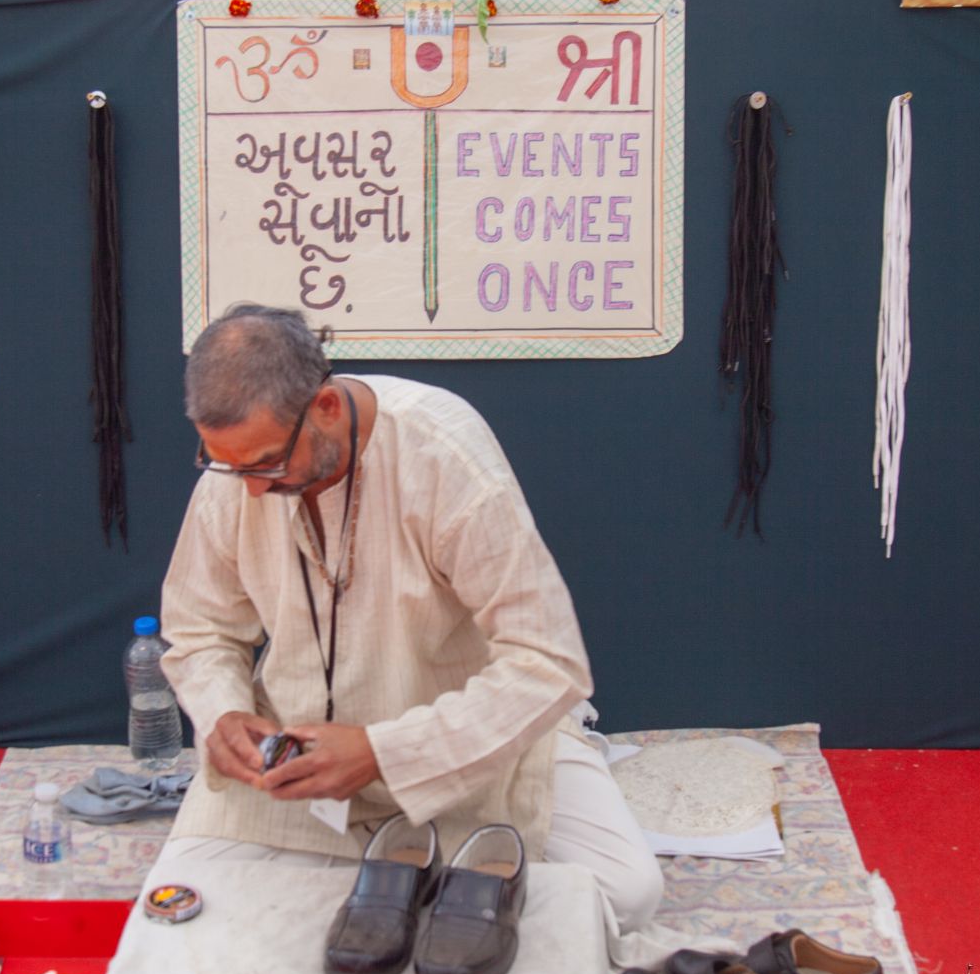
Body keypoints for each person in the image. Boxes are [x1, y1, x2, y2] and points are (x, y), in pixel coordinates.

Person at [152, 304, 664, 933]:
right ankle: (400, 876)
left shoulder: (441, 454)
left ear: (327, 409)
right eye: (230, 466)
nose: (251, 490)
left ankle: (402, 873)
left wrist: (382, 751)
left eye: (266, 466)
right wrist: (223, 712)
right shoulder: (240, 471)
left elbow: (549, 662)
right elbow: (201, 627)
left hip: (461, 735)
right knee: (183, 899)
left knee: (629, 890)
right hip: (300, 750)